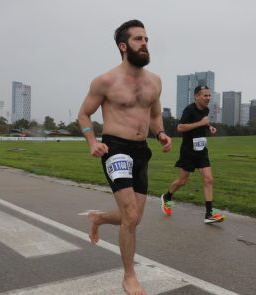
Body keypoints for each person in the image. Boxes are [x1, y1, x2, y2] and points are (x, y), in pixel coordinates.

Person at [78, 19, 171, 295]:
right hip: (115, 148)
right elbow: (84, 114)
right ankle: (129, 276)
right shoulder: (105, 81)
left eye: (146, 39)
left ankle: (98, 219)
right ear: (123, 46)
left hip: (142, 150)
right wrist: (92, 141)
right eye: (138, 39)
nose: (144, 44)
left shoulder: (155, 81)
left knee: (134, 217)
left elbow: (155, 115)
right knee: (130, 214)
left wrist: (161, 133)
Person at [160, 85, 225, 223]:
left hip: (202, 149)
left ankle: (209, 214)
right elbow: (180, 127)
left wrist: (209, 126)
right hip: (188, 151)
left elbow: (204, 122)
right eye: (205, 95)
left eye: (209, 95)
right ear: (197, 97)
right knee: (182, 181)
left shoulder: (206, 110)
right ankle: (167, 196)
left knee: (208, 179)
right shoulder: (189, 110)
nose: (208, 98)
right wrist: (200, 123)